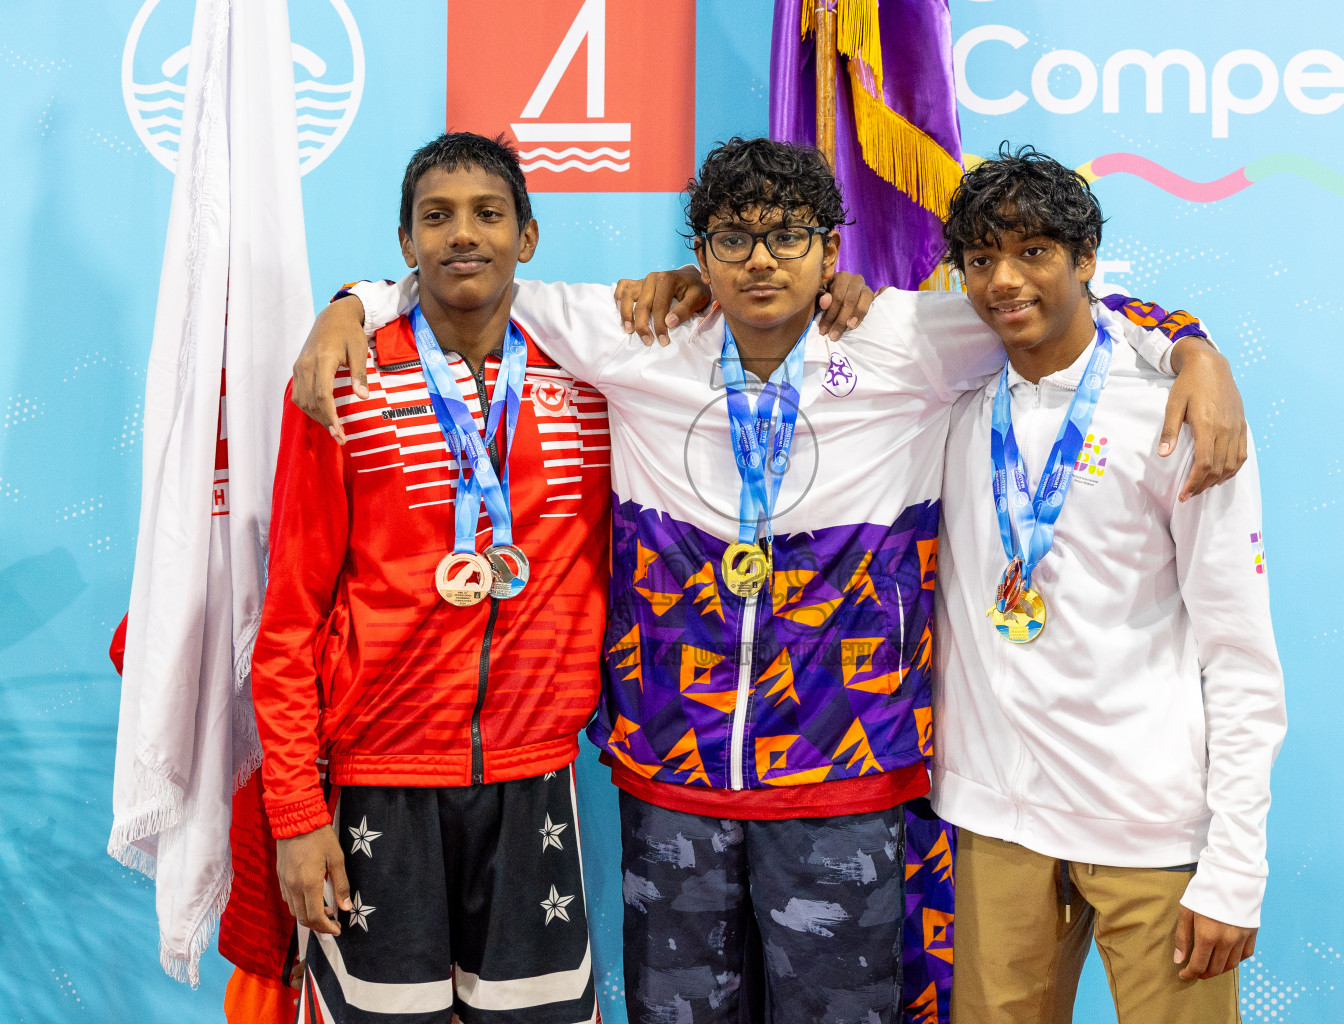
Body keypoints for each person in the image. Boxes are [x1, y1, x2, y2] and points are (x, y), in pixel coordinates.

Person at [298, 136, 1245, 1024]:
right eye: (733, 238)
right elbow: (469, 281)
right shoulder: (638, 337)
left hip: (847, 782)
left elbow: (1057, 304)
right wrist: (352, 305)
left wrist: (1190, 349)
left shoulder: (910, 340)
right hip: (673, 780)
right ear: (701, 254)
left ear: (831, 250)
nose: (761, 260)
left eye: (789, 236)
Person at [252, 132, 611, 1023]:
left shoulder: (594, 373)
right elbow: (291, 612)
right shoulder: (342, 380)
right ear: (405, 242)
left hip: (534, 780)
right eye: (437, 216)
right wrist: (295, 812)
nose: (464, 235)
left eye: (489, 214)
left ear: (527, 236)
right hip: (380, 781)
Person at [930, 146, 1286, 1022]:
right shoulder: (950, 403)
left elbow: (1240, 655)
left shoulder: (1179, 414)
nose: (1004, 281)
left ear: (1086, 259)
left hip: (1148, 828)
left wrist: (1235, 866)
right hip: (999, 825)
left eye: (1034, 253)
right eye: (981, 259)